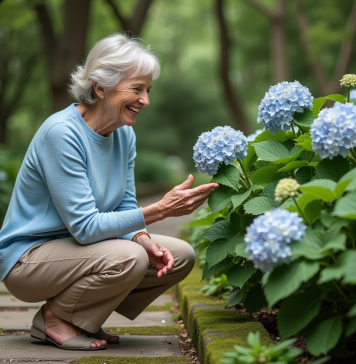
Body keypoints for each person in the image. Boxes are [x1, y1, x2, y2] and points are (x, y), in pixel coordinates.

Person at [0, 34, 218, 351]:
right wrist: (160, 211)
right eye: (137, 89)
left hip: (78, 250)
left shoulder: (123, 134)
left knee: (180, 255)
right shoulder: (62, 133)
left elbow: (125, 202)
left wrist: (144, 238)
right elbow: (86, 228)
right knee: (129, 257)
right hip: (28, 259)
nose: (145, 100)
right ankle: (55, 319)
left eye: (147, 90)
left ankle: (80, 315)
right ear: (100, 87)